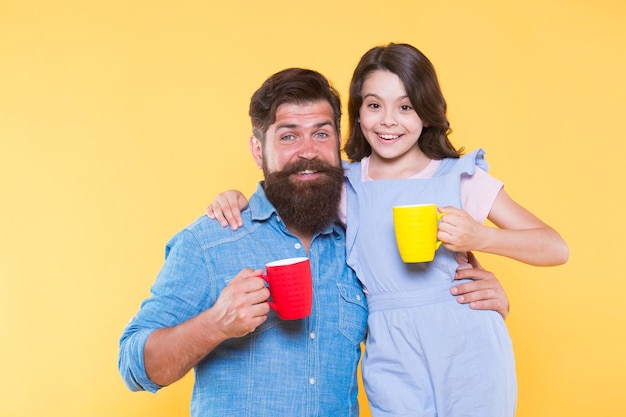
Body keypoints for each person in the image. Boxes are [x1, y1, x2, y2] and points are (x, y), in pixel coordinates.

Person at [119, 66, 512, 416]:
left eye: (321, 134)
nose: (308, 151)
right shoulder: (211, 242)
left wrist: (480, 298)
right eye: (288, 136)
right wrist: (215, 325)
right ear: (259, 150)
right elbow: (134, 366)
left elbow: (410, 305)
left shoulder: (357, 243)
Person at [207, 43, 569, 416]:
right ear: (358, 112)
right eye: (374, 105)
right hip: (389, 349)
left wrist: (482, 238)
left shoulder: (458, 177)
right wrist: (235, 198)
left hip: (466, 339)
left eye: (406, 106)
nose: (388, 121)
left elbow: (555, 247)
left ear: (427, 113)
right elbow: (289, 195)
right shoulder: (346, 185)